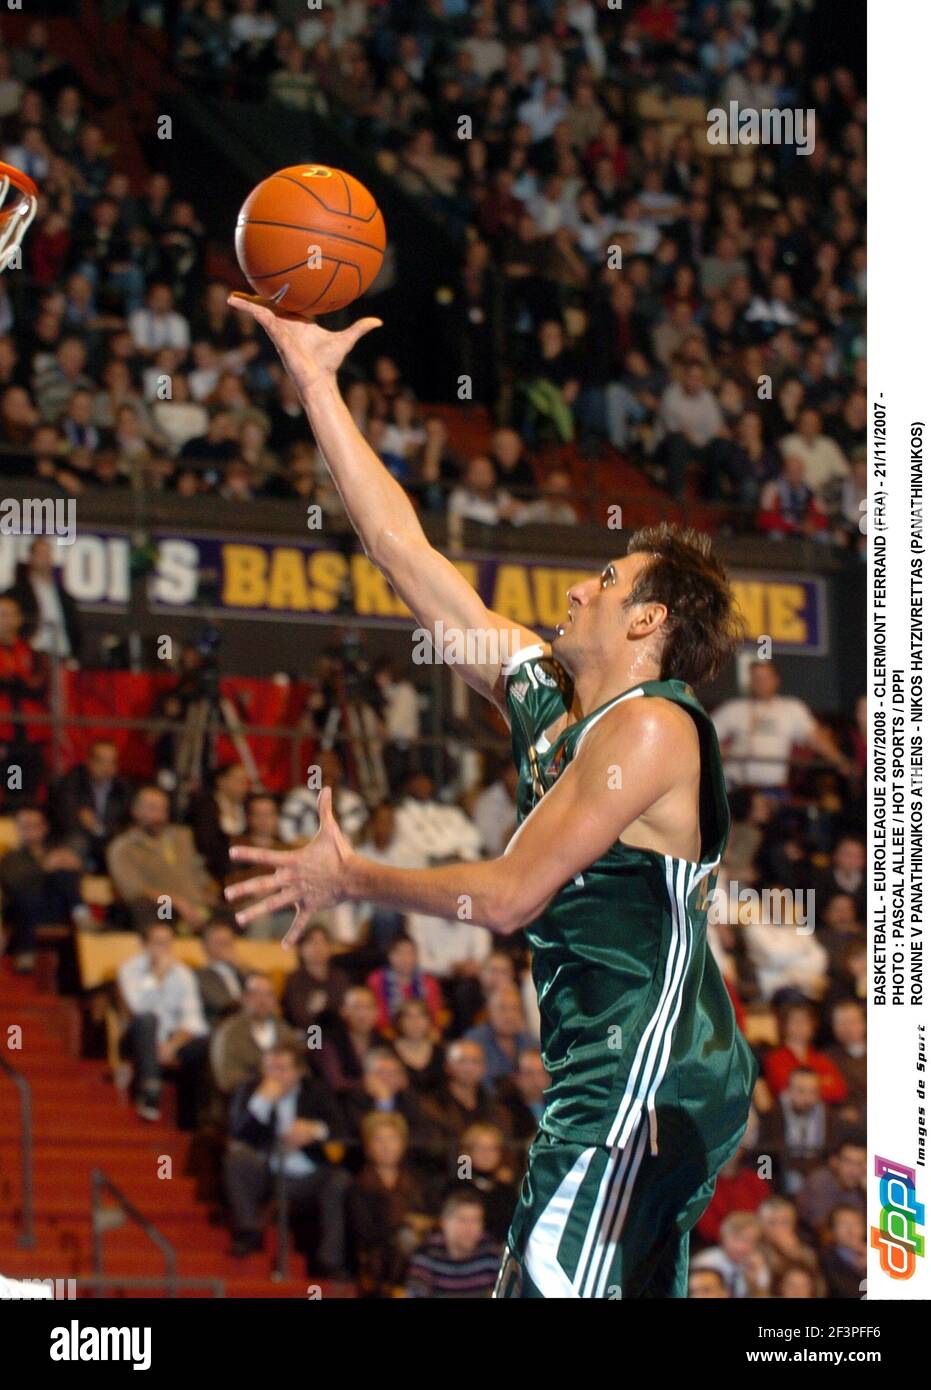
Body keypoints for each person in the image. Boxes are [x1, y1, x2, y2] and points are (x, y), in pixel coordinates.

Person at [223, 303, 758, 1299]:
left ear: (647, 618)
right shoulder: (545, 693)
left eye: (603, 579)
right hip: (616, 1070)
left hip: (649, 1070)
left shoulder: (653, 724)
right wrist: (314, 384)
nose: (575, 591)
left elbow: (510, 896)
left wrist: (351, 877)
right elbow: (404, 554)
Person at [225, 1041, 350, 1272]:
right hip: (267, 1170)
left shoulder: (316, 1091)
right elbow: (237, 1134)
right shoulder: (251, 1089)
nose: (275, 1076)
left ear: (298, 1071)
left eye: (282, 1069)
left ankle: (330, 1261)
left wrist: (314, 1130)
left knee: (339, 1180)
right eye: (270, 1068)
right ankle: (249, 1231)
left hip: (307, 1172)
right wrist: (261, 1103)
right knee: (237, 1158)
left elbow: (341, 1131)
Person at [117, 920, 209, 1125]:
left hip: (170, 1038)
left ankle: (192, 1118)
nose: (164, 949)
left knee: (204, 1042)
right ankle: (151, 1089)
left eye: (167, 943)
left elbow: (194, 1020)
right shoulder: (129, 969)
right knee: (148, 1020)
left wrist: (172, 1045)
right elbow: (139, 1008)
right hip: (137, 1035)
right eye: (158, 943)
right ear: (145, 945)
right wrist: (157, 976)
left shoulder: (183, 974)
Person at [713, 659, 851, 794]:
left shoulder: (792, 708)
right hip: (736, 788)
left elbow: (815, 739)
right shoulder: (734, 708)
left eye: (766, 678)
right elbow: (705, 734)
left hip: (774, 791)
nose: (761, 683)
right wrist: (719, 751)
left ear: (776, 680)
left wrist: (839, 760)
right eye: (757, 678)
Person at [107, 785, 218, 932]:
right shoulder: (124, 847)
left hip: (196, 905)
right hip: (163, 906)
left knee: (229, 914)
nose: (158, 816)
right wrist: (176, 902)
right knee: (156, 911)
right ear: (135, 811)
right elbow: (134, 890)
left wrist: (209, 894)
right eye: (152, 809)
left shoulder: (182, 838)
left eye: (163, 810)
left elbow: (200, 875)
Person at [0, 804, 89, 973]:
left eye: (35, 826)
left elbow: (71, 882)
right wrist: (44, 867)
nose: (30, 830)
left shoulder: (56, 852)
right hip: (23, 911)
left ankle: (81, 915)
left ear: (44, 828)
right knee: (26, 899)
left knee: (64, 873)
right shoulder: (11, 857)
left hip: (54, 908)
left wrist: (75, 867)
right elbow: (15, 883)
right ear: (18, 830)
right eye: (25, 826)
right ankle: (25, 952)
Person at [210, 971, 300, 1097]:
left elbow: (299, 1067)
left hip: (285, 1097)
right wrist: (265, 1084)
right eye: (256, 994)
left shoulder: (284, 1030)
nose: (262, 1001)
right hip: (244, 1099)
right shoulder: (229, 1033)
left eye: (268, 995)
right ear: (244, 998)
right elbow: (227, 1078)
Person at [49, 738, 133, 871]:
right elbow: (67, 819)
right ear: (89, 762)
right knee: (76, 843)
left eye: (112, 762)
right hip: (81, 839)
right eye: (101, 761)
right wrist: (95, 829)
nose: (107, 767)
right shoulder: (72, 782)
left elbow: (125, 823)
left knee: (126, 847)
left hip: (109, 841)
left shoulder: (122, 789)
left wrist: (98, 828)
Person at [404, 1189, 502, 1298]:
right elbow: (415, 1293)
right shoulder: (428, 1254)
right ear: (444, 1223)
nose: (470, 1228)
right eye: (462, 1220)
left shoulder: (491, 1253)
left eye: (476, 1220)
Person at [9, 535, 83, 660]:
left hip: (62, 656)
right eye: (40, 554)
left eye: (48, 553)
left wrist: (75, 655)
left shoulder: (64, 597)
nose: (45, 558)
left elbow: (75, 629)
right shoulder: (18, 593)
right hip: (32, 657)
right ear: (30, 558)